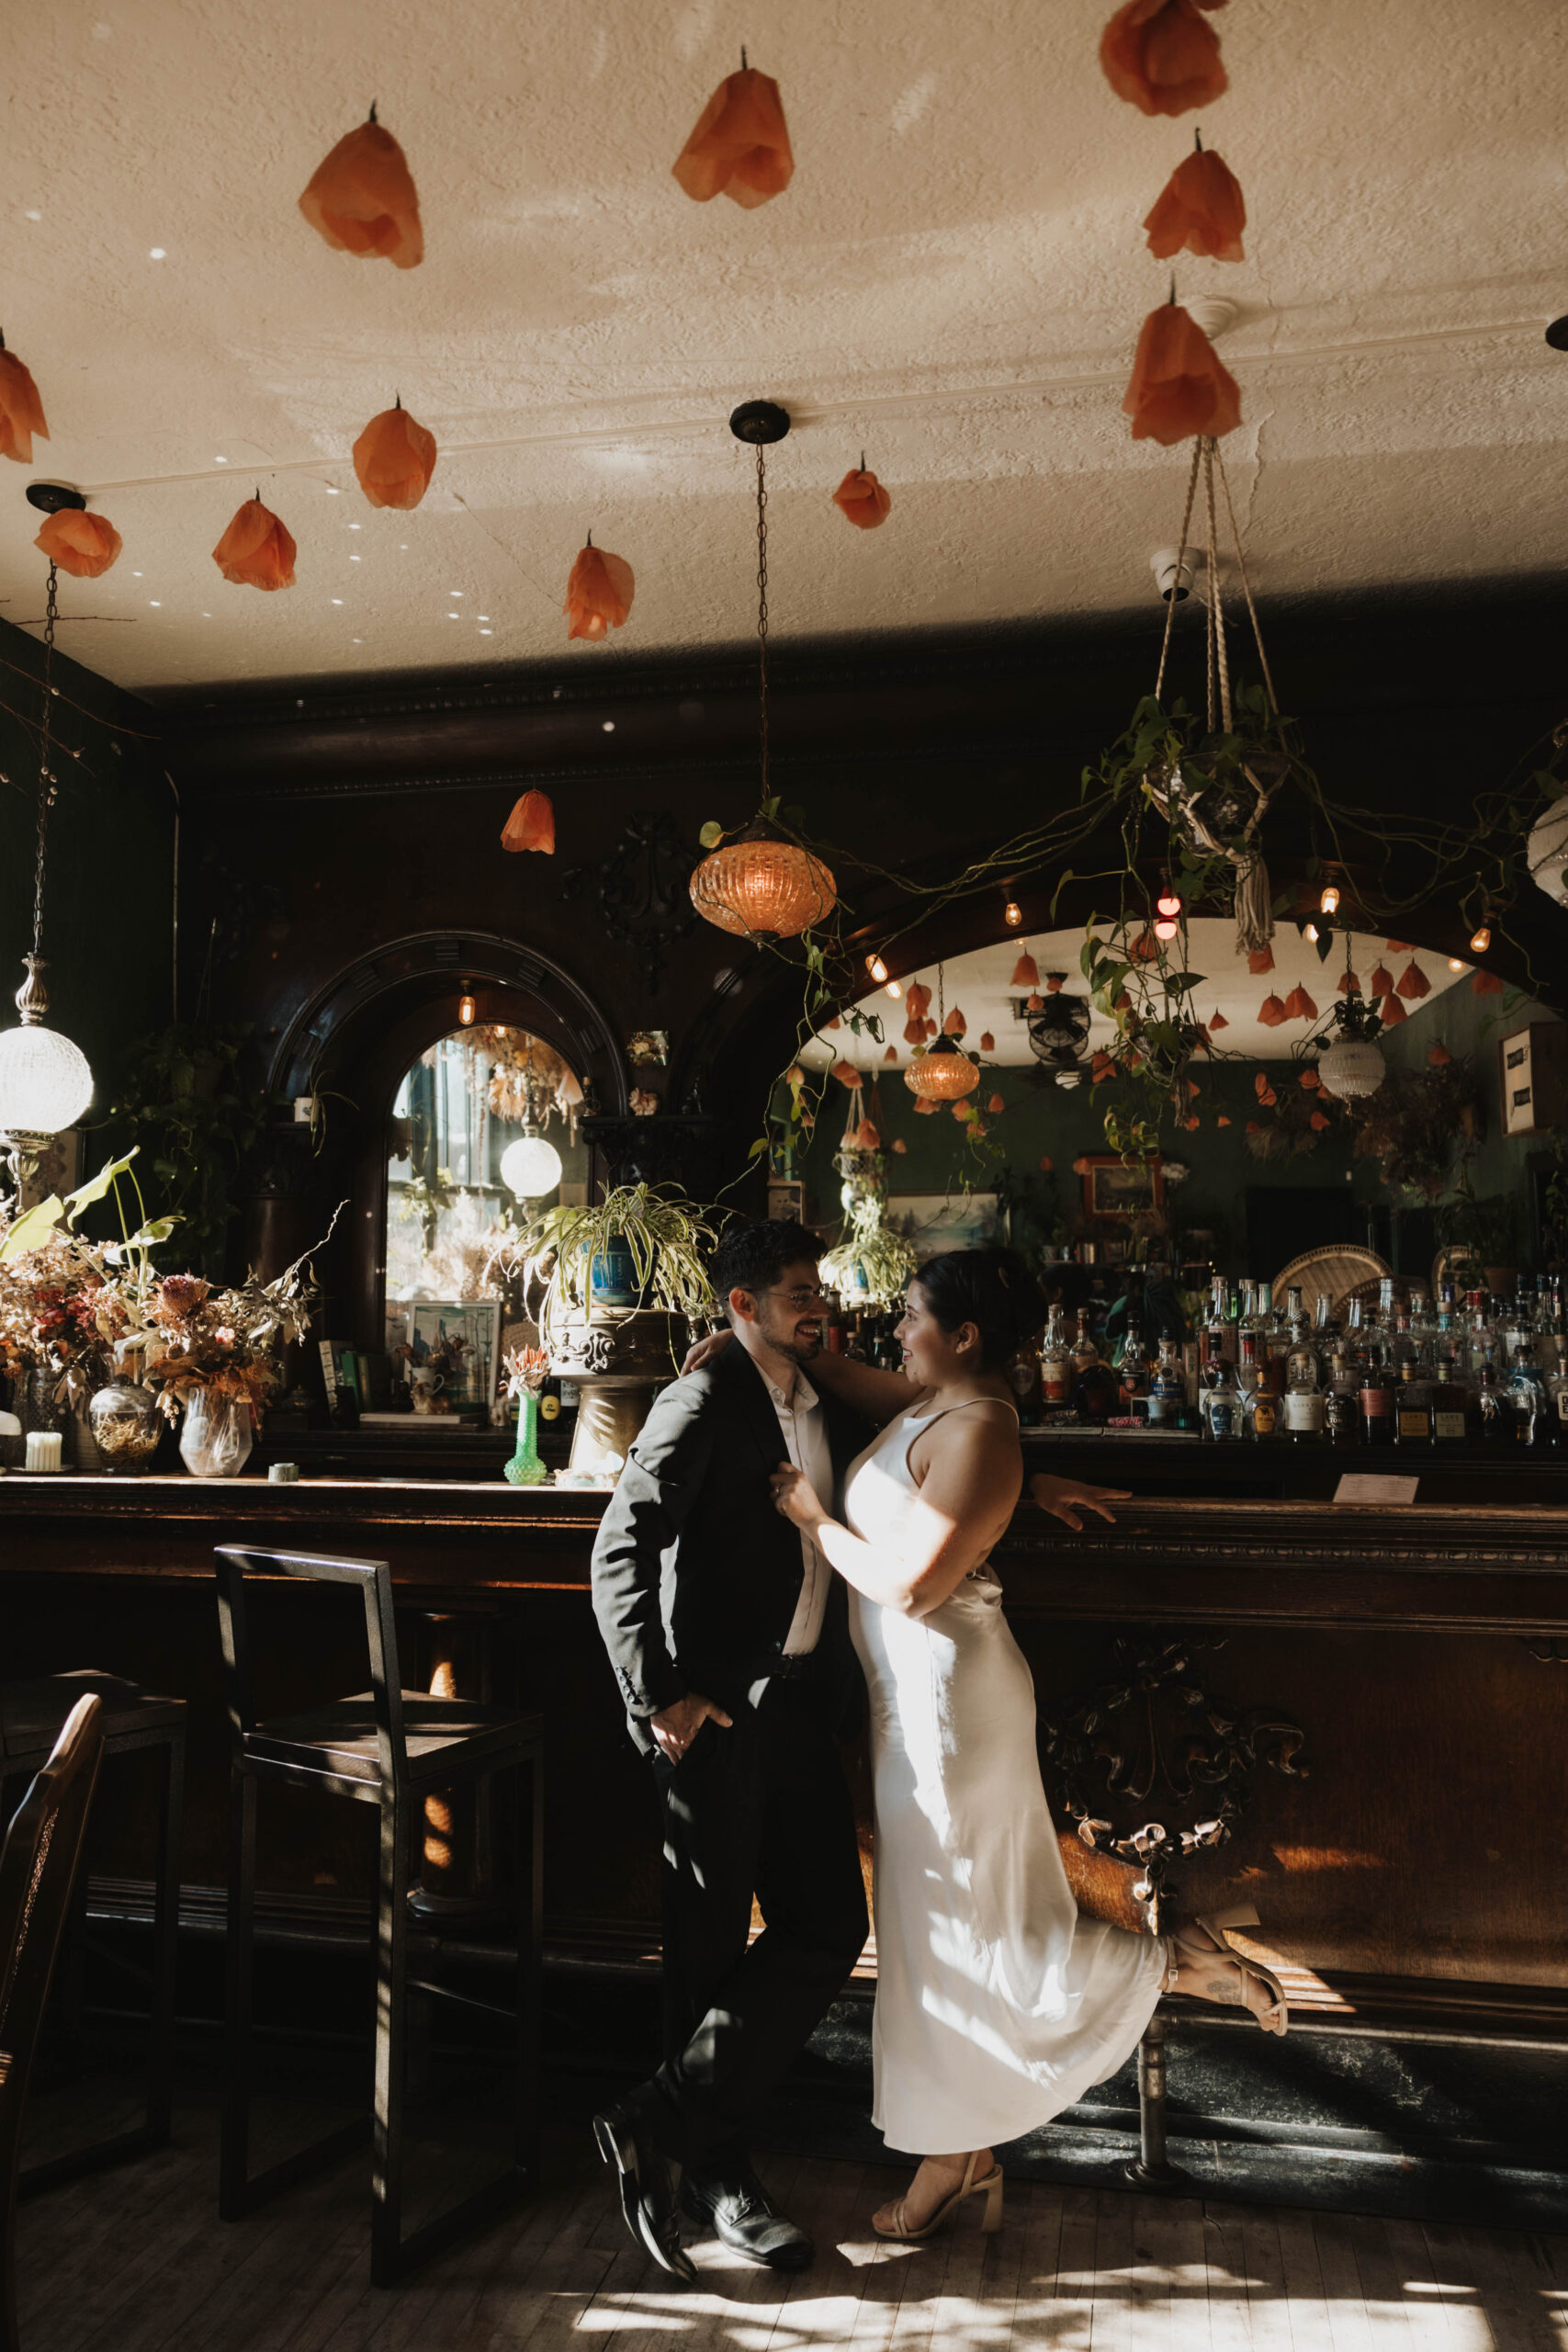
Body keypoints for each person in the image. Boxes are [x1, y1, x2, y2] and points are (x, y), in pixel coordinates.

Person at [712, 1247, 1289, 2241]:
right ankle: (960, 2154)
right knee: (936, 1937)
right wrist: (735, 1341)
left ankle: (1177, 1965)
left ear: (965, 1335)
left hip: (953, 1711)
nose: (896, 1329)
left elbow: (910, 1585)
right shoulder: (934, 1397)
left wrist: (811, 1516)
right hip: (910, 1710)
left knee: (979, 1929)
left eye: (913, 1316)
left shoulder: (980, 1424)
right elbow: (843, 1375)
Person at [588, 1218, 871, 2282]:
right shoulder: (704, 1397)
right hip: (716, 1714)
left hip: (802, 1704)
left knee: (831, 1921)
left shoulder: (820, 1394)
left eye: (819, 1285)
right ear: (741, 1305)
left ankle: (657, 2119)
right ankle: (718, 2179)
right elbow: (621, 1544)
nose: (816, 1302)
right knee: (706, 1948)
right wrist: (660, 1694)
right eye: (794, 1291)